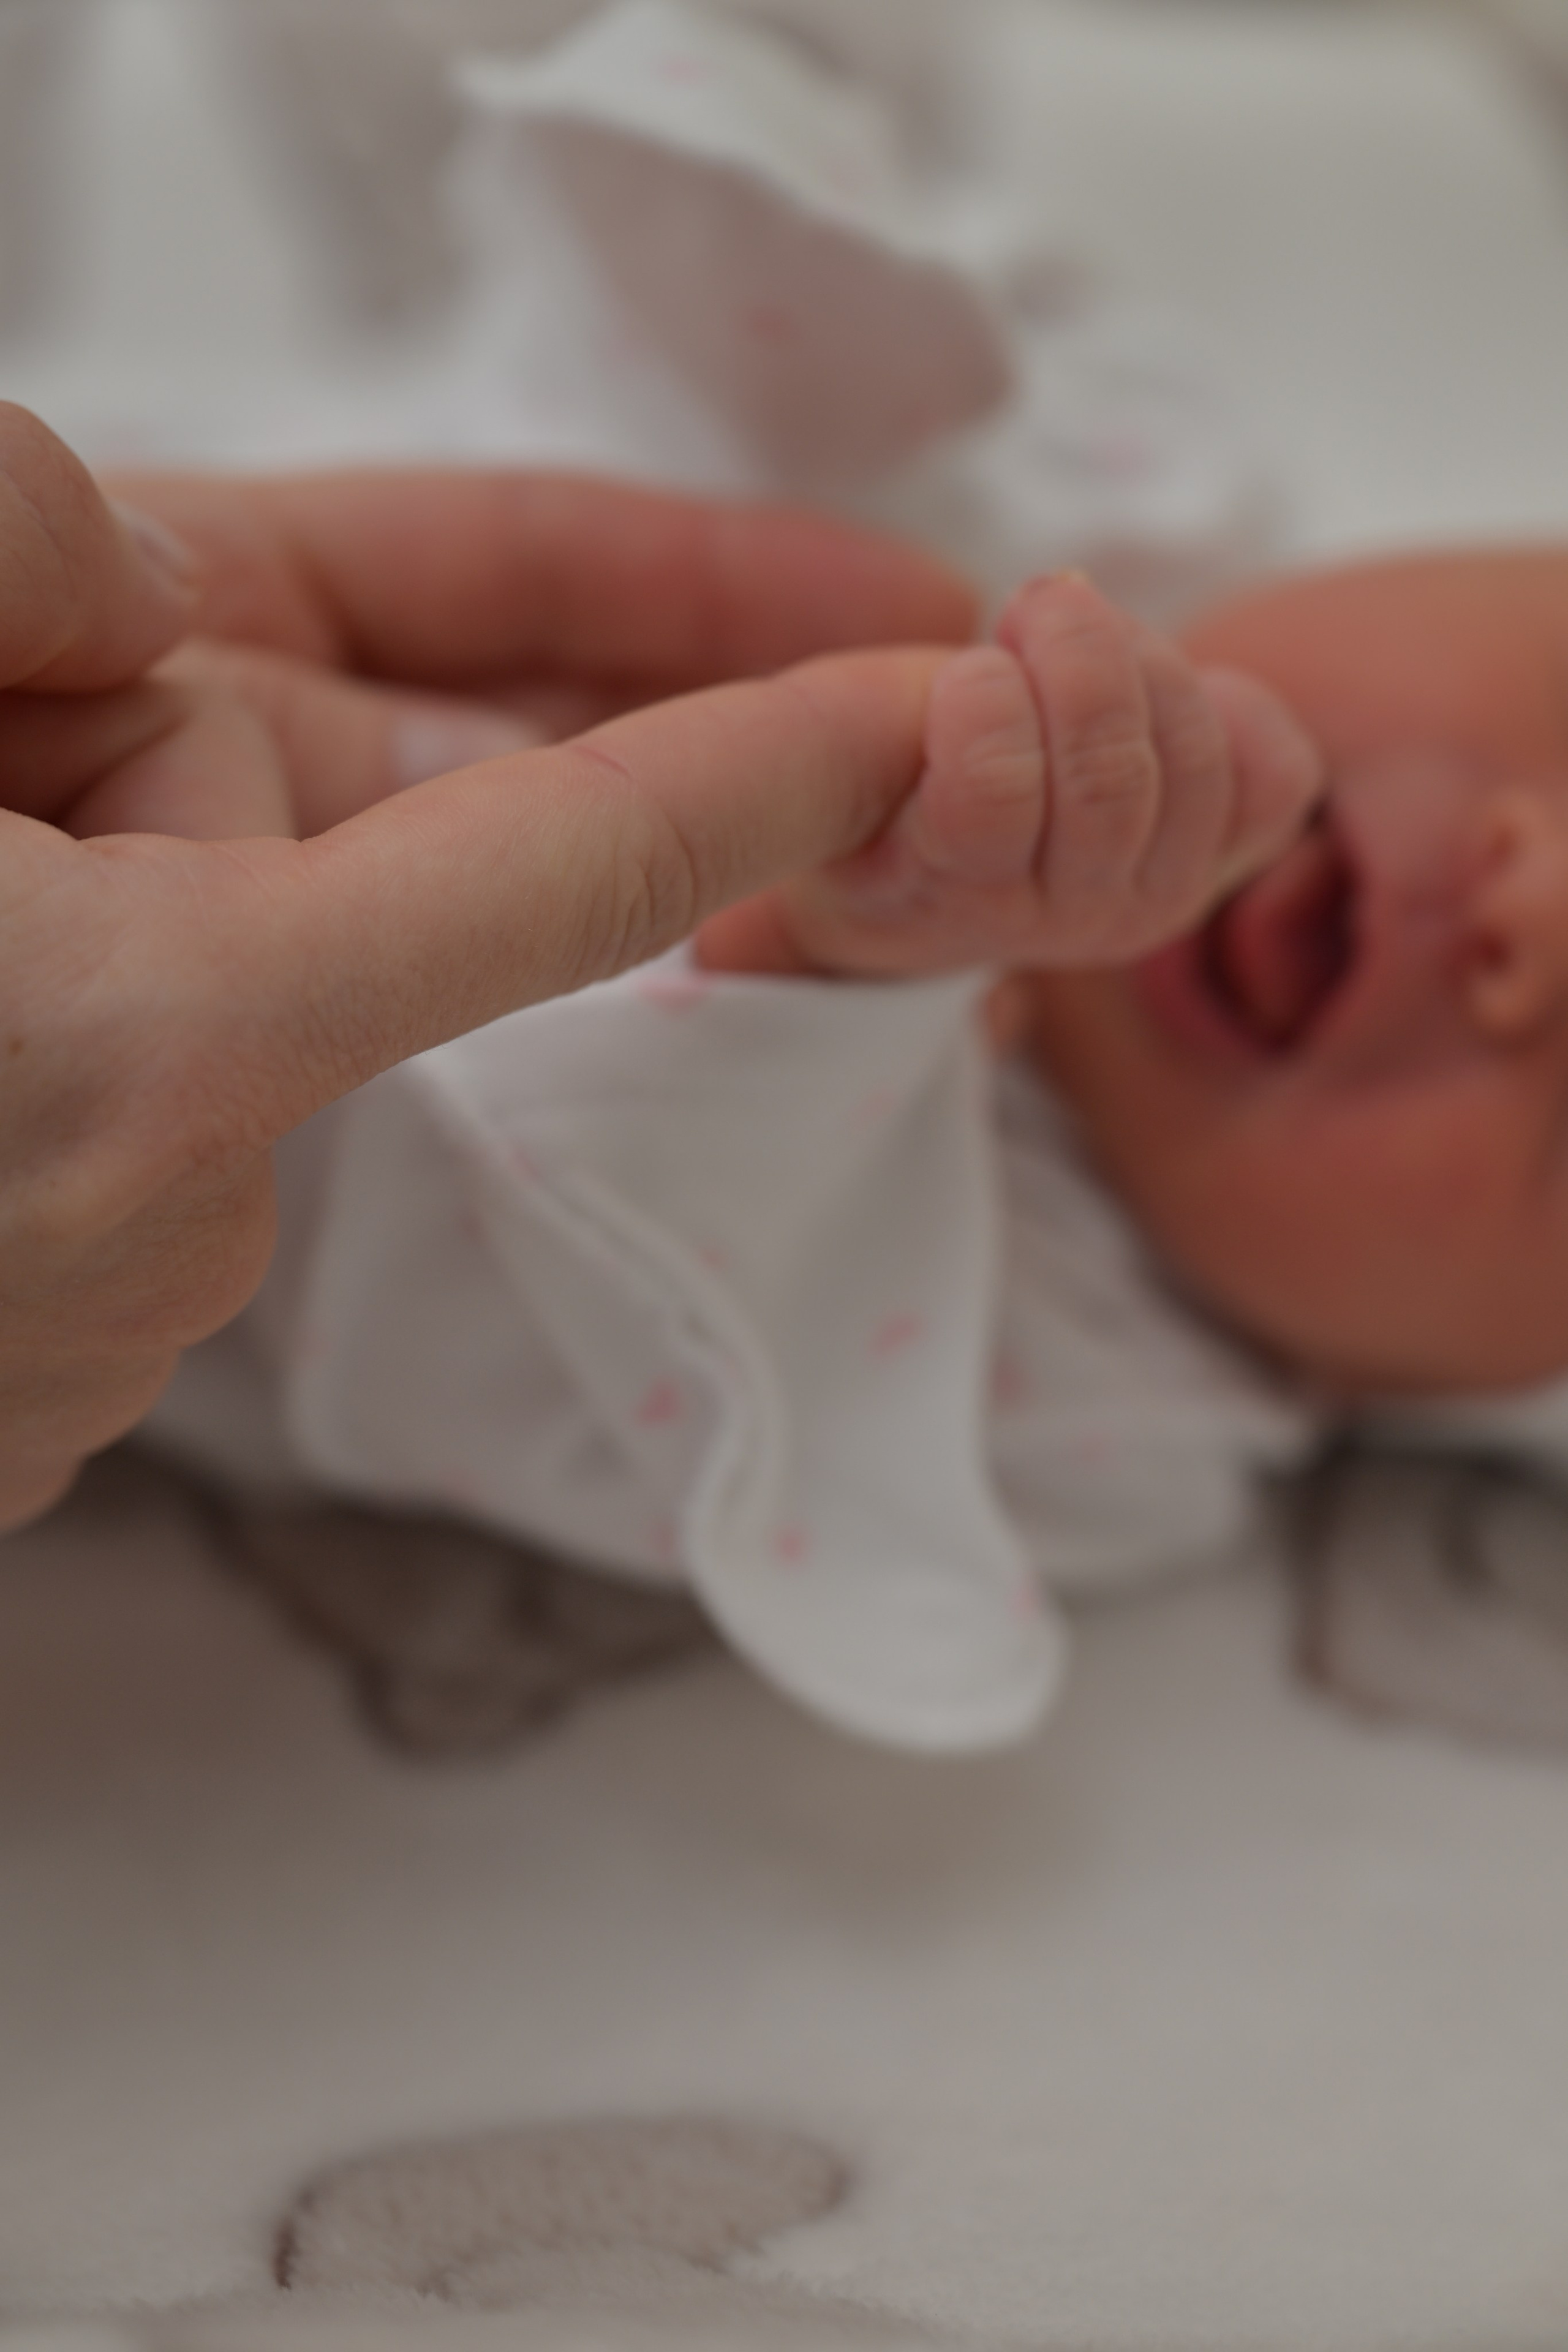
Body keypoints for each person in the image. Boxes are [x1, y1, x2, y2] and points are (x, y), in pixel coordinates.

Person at [148, 541, 1568, 1751]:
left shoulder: (1102, 1411)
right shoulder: (1021, 550)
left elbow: (600, 1339)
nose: (1533, 922)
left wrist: (838, 966)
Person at [0, 401, 992, 1532]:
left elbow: (718, 1435)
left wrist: (816, 996)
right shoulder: (1063, 505)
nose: (1234, 778)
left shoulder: (1108, 1373)